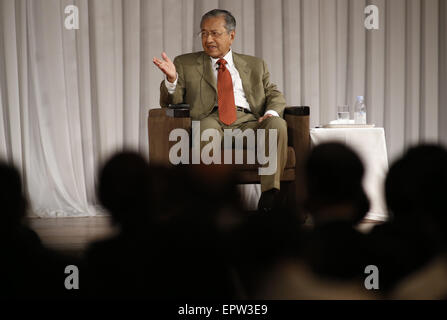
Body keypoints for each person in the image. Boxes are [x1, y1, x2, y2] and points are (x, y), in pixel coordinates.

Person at [153, 9, 288, 212]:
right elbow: (171, 102)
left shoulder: (255, 65)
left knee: (277, 124)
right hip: (210, 120)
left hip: (248, 122)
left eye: (214, 33)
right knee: (206, 129)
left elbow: (274, 94)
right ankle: (205, 200)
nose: (208, 39)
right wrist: (172, 81)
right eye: (204, 33)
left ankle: (270, 196)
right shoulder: (185, 63)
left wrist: (271, 113)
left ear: (231, 36)